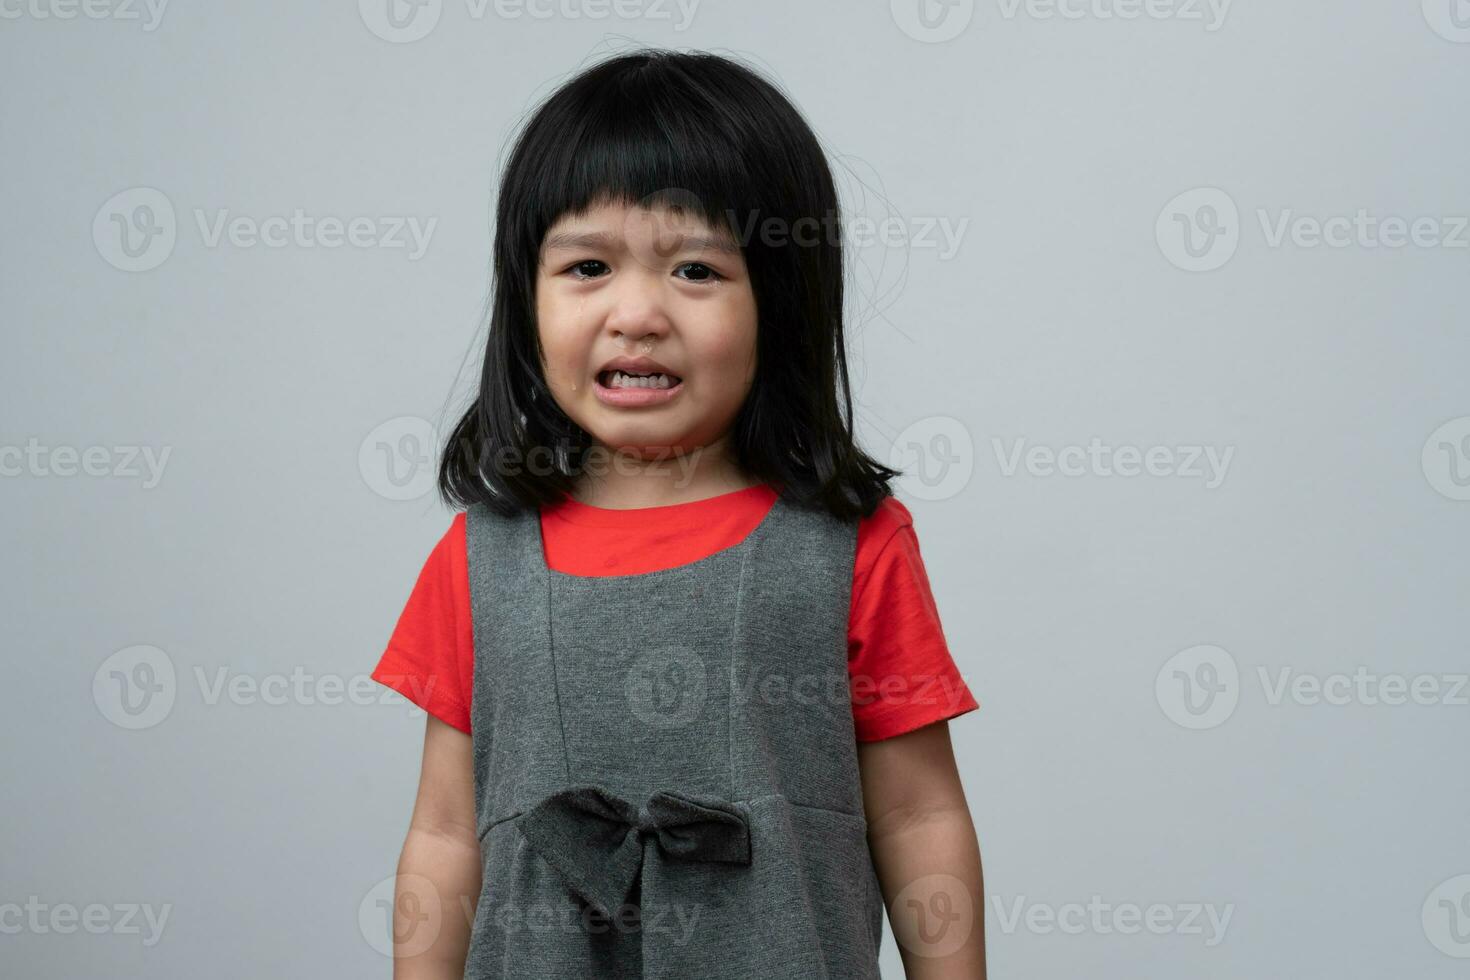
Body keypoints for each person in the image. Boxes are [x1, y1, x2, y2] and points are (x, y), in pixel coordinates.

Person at [372, 48, 987, 979]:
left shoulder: (848, 548)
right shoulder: (478, 561)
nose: (637, 313)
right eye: (587, 267)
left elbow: (918, 814)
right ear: (525, 300)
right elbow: (447, 832)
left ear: (777, 303)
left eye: (696, 269)